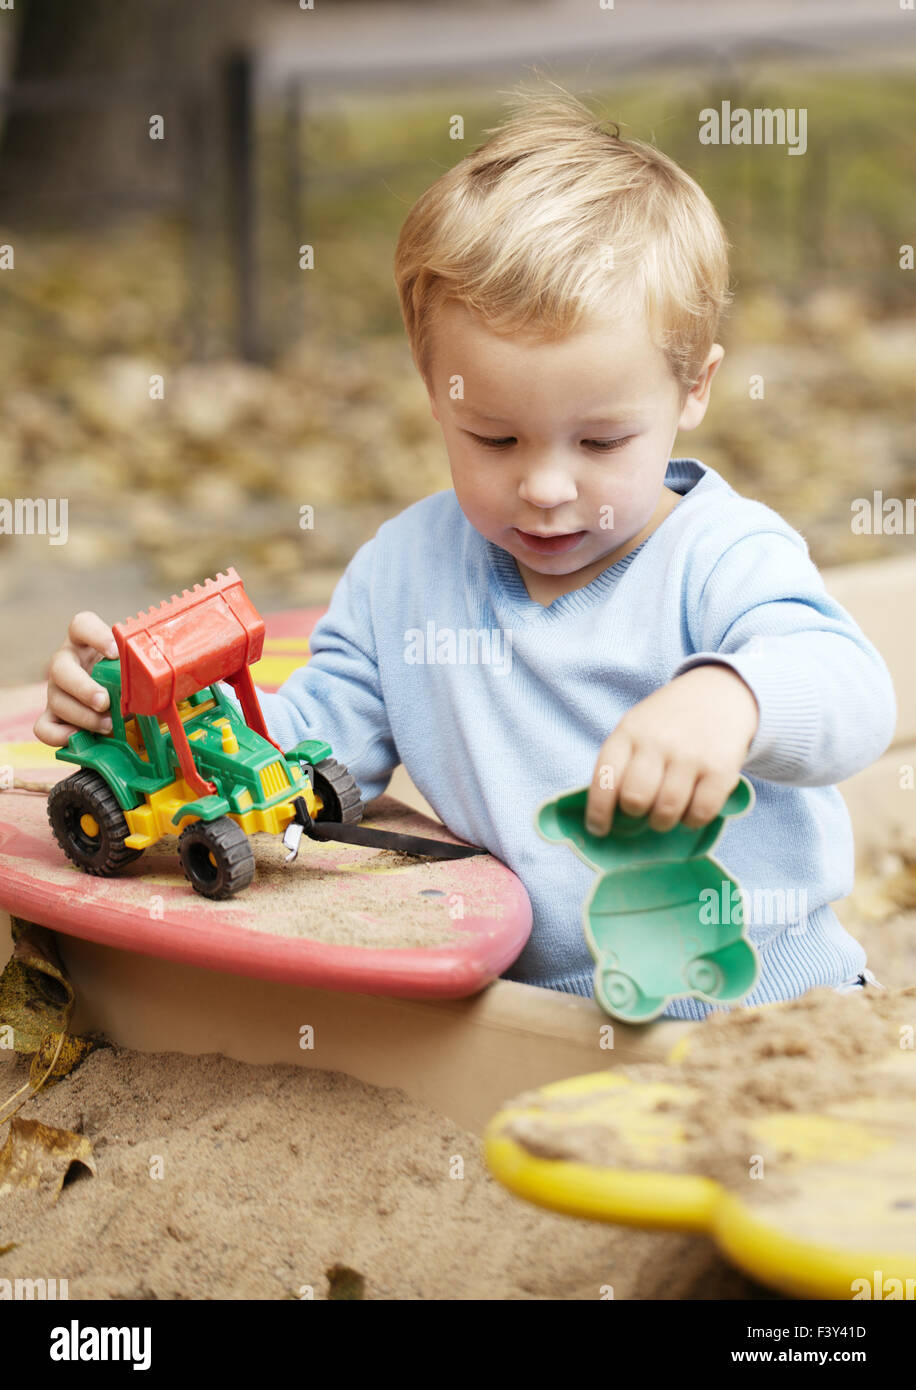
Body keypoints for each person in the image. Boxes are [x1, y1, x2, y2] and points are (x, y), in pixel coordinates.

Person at [34, 88, 896, 1020]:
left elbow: (852, 692)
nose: (547, 487)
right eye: (495, 438)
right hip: (531, 1016)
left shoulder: (723, 556)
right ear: (434, 390)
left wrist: (735, 696)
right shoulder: (404, 576)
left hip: (779, 998)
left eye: (601, 442)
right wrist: (151, 724)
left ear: (695, 389)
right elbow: (312, 755)